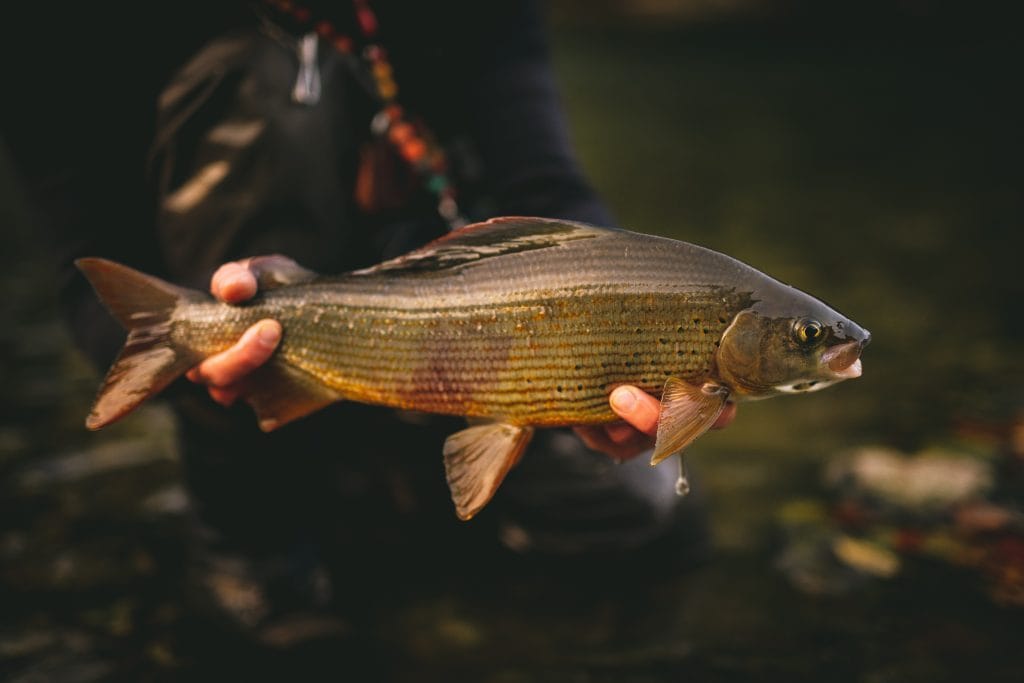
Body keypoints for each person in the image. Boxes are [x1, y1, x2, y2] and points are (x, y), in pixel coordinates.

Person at [3, 0, 733, 645]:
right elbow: (83, 270)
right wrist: (199, 358)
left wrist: (620, 326)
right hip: (261, 326)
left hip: (468, 317)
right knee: (269, 86)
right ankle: (252, 531)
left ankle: (399, 482)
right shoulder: (60, 19)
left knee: (652, 526)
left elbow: (546, 183)